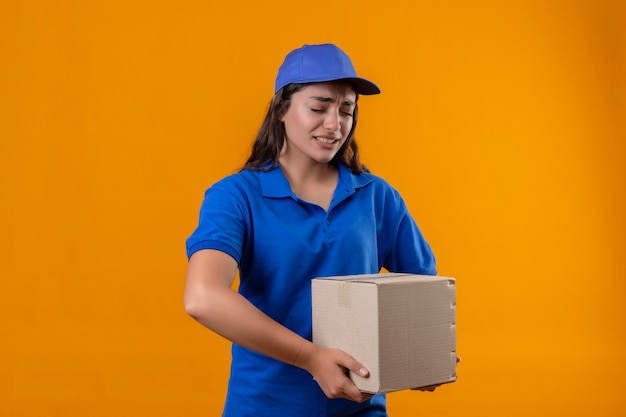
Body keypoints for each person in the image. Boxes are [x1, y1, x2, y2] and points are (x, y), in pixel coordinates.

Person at [184, 43, 439, 417]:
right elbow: (202, 297)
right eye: (318, 108)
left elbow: (423, 290)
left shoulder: (377, 197)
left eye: (346, 110)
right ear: (282, 110)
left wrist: (422, 353)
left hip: (360, 409)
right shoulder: (236, 196)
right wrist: (311, 358)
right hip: (263, 407)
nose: (334, 124)